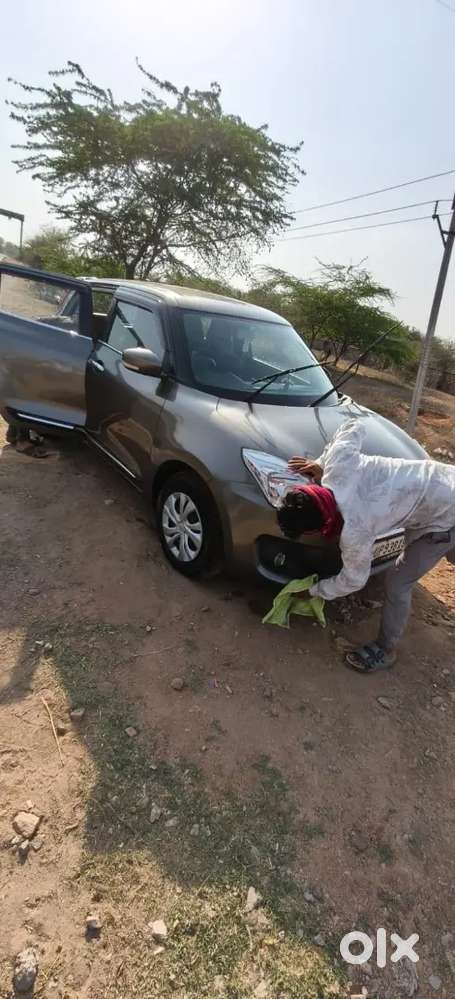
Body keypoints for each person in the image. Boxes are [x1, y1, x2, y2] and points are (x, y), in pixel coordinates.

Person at [277, 418, 455, 673]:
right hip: (440, 482)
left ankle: (385, 648)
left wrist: (315, 591)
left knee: (397, 581)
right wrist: (322, 462)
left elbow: (354, 579)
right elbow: (354, 424)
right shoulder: (338, 463)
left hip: (446, 512)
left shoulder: (356, 530)